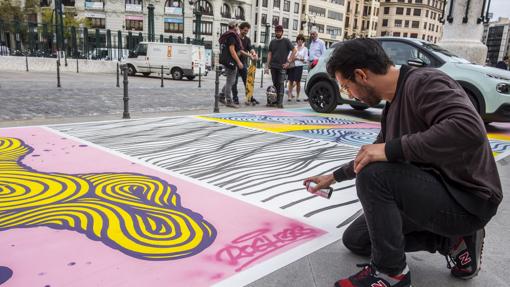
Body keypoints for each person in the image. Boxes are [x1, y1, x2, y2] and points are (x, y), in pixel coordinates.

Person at [304, 38, 502, 287]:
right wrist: (333, 177)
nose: (348, 94)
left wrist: (391, 149)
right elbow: (370, 154)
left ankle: (391, 273)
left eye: (346, 87)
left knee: (374, 176)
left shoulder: (425, 82)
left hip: (467, 200)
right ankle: (452, 241)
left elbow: (467, 129)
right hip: (435, 193)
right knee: (356, 240)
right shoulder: (392, 108)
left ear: (361, 75)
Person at [265, 25, 297, 108]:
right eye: (276, 31)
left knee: (281, 84)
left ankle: (280, 103)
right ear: (275, 32)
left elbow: (294, 50)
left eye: (279, 31)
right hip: (273, 66)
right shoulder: (272, 42)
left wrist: (288, 62)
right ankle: (274, 101)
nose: (278, 32)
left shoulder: (286, 41)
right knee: (275, 84)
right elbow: (269, 54)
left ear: (282, 32)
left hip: (282, 66)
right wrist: (267, 65)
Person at [230, 22, 260, 106]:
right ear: (240, 29)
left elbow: (250, 48)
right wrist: (250, 55)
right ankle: (235, 99)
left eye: (247, 31)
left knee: (247, 81)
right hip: (235, 63)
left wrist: (254, 53)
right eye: (244, 30)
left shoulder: (247, 39)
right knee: (234, 82)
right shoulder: (236, 38)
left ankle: (250, 97)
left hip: (243, 63)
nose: (246, 32)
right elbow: (239, 51)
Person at [219, 21, 244, 108]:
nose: (238, 28)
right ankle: (229, 101)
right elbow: (232, 51)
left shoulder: (227, 35)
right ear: (234, 26)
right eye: (237, 26)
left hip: (227, 61)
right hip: (231, 61)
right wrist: (239, 62)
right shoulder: (232, 36)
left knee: (231, 81)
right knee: (230, 81)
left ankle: (221, 95)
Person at [305, 27, 325, 102]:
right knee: (310, 80)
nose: (312, 36)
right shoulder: (311, 43)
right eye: (311, 34)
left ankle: (316, 96)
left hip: (317, 64)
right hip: (310, 63)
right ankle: (309, 96)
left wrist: (318, 62)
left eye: (313, 34)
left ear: (316, 34)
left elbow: (324, 55)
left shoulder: (321, 43)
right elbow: (310, 54)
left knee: (315, 80)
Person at [286, 34, 308, 102]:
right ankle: (289, 96)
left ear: (303, 41)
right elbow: (288, 57)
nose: (300, 41)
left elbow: (305, 59)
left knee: (298, 82)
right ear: (297, 40)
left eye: (301, 40)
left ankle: (298, 96)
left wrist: (297, 58)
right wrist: (292, 58)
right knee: (291, 81)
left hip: (299, 67)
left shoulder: (305, 49)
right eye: (299, 40)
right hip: (292, 66)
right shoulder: (293, 48)